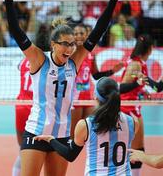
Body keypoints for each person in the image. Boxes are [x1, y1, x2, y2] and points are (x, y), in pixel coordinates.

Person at [4, 0, 120, 175]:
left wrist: (113, 0)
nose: (69, 49)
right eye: (65, 44)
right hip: (36, 130)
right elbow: (16, 32)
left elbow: (98, 31)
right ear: (53, 44)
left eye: (72, 44)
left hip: (62, 136)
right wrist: (9, 0)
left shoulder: (75, 62)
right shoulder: (39, 59)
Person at [34, 77, 139, 176]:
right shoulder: (133, 122)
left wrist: (51, 140)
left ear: (95, 96)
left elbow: (70, 155)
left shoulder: (86, 125)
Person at [71, 24, 123, 138]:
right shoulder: (70, 53)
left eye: (81, 33)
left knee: (90, 130)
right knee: (73, 133)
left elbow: (95, 75)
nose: (79, 36)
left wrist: (112, 71)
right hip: (74, 97)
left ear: (86, 35)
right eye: (75, 34)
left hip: (87, 95)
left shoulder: (90, 54)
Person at [119, 34, 154, 176]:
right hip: (128, 109)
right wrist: (138, 84)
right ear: (150, 49)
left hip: (133, 107)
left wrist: (143, 90)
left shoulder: (139, 63)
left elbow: (134, 84)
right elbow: (121, 87)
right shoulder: (136, 64)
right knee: (137, 149)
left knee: (136, 148)